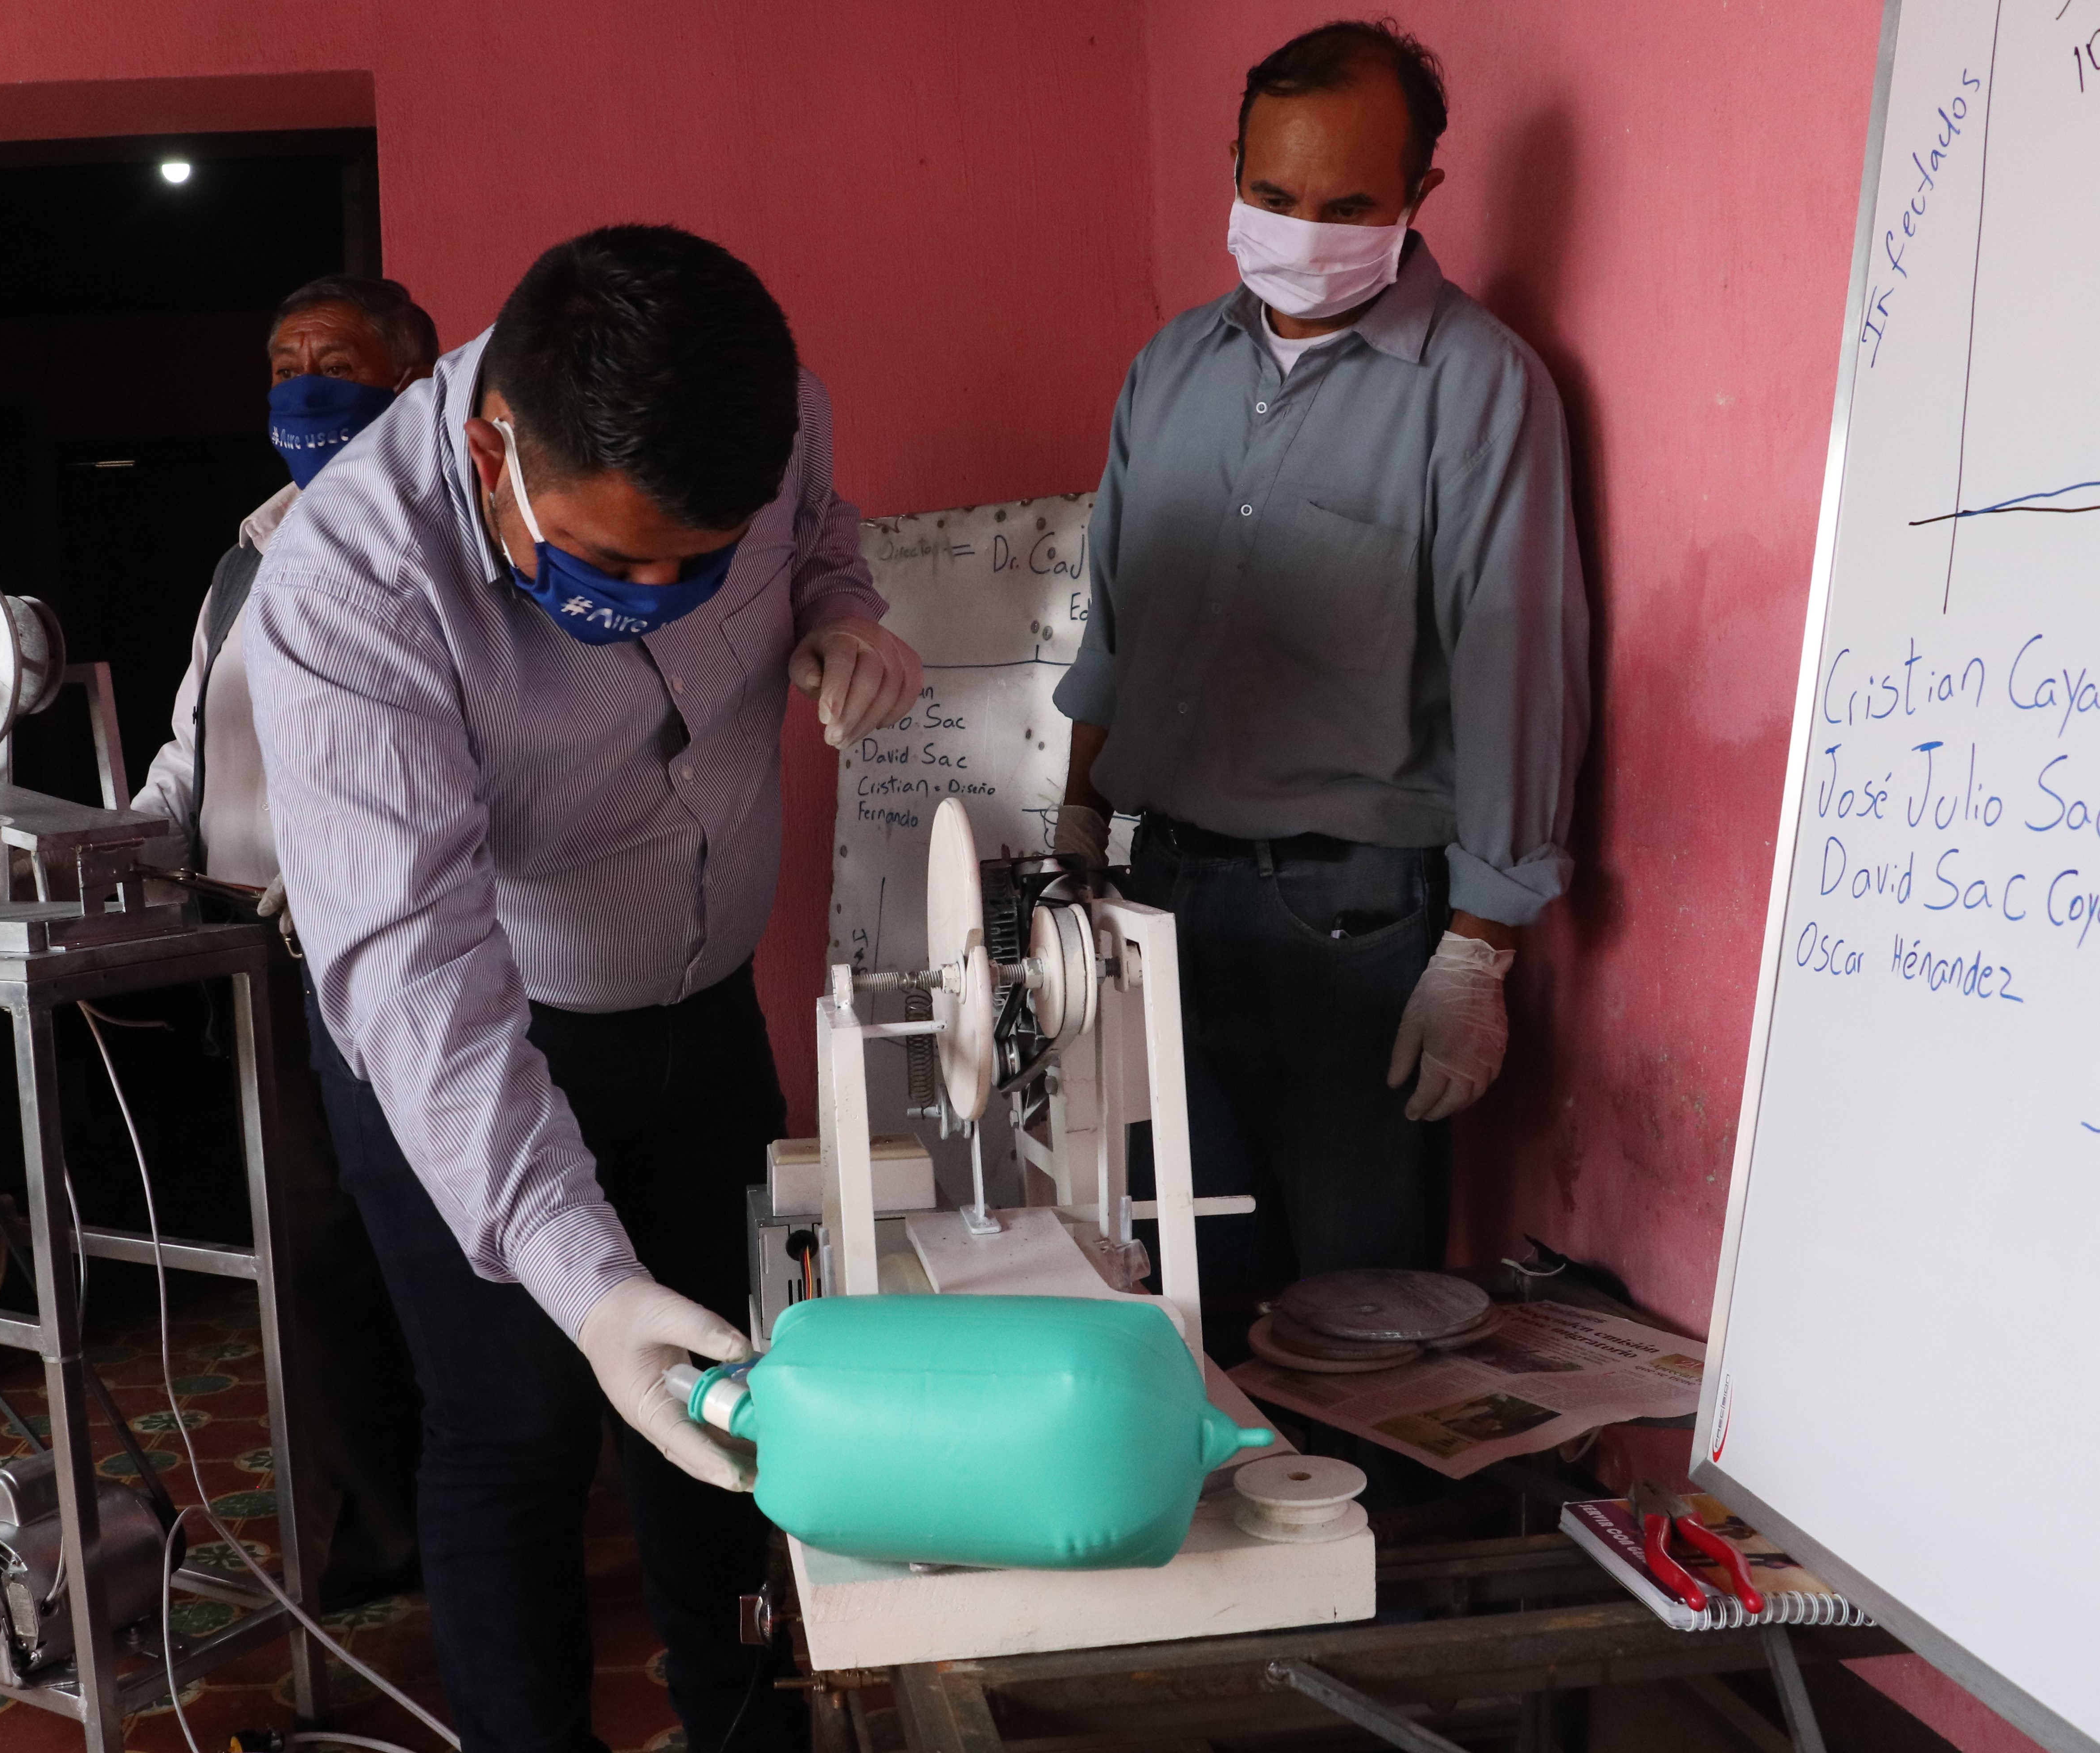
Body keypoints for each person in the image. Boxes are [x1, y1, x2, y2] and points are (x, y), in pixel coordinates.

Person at [248, 225, 921, 1753]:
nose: (672, 598)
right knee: (519, 1430)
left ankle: (745, 1727)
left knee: (736, 1401)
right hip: (478, 1040)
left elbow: (817, 530)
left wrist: (833, 607)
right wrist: (587, 1280)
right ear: (494, 450)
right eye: (616, 565)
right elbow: (420, 979)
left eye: (706, 562)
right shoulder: (347, 591)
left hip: (699, 1007)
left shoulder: (769, 412)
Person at [1053, 20, 1589, 1353]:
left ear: (1419, 199)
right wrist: (1075, 834)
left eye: (1346, 206)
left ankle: (1375, 1566)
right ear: (1233, 164)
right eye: (1273, 196)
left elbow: (1516, 666)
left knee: (1361, 1328)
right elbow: (1112, 631)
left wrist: (1480, 947)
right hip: (1159, 900)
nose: (1300, 232)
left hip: (1348, 927)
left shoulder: (1476, 391)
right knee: (1187, 1291)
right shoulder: (1169, 369)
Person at [128, 272, 440, 1607]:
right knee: (306, 1253)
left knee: (417, 1235)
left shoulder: (446, 542)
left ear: (416, 383)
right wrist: (116, 840)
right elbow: (191, 750)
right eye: (282, 361)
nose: (303, 385)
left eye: (337, 361)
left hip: (393, 944)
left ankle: (462, 1510)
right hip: (252, 949)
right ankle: (365, 1541)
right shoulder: (246, 550)